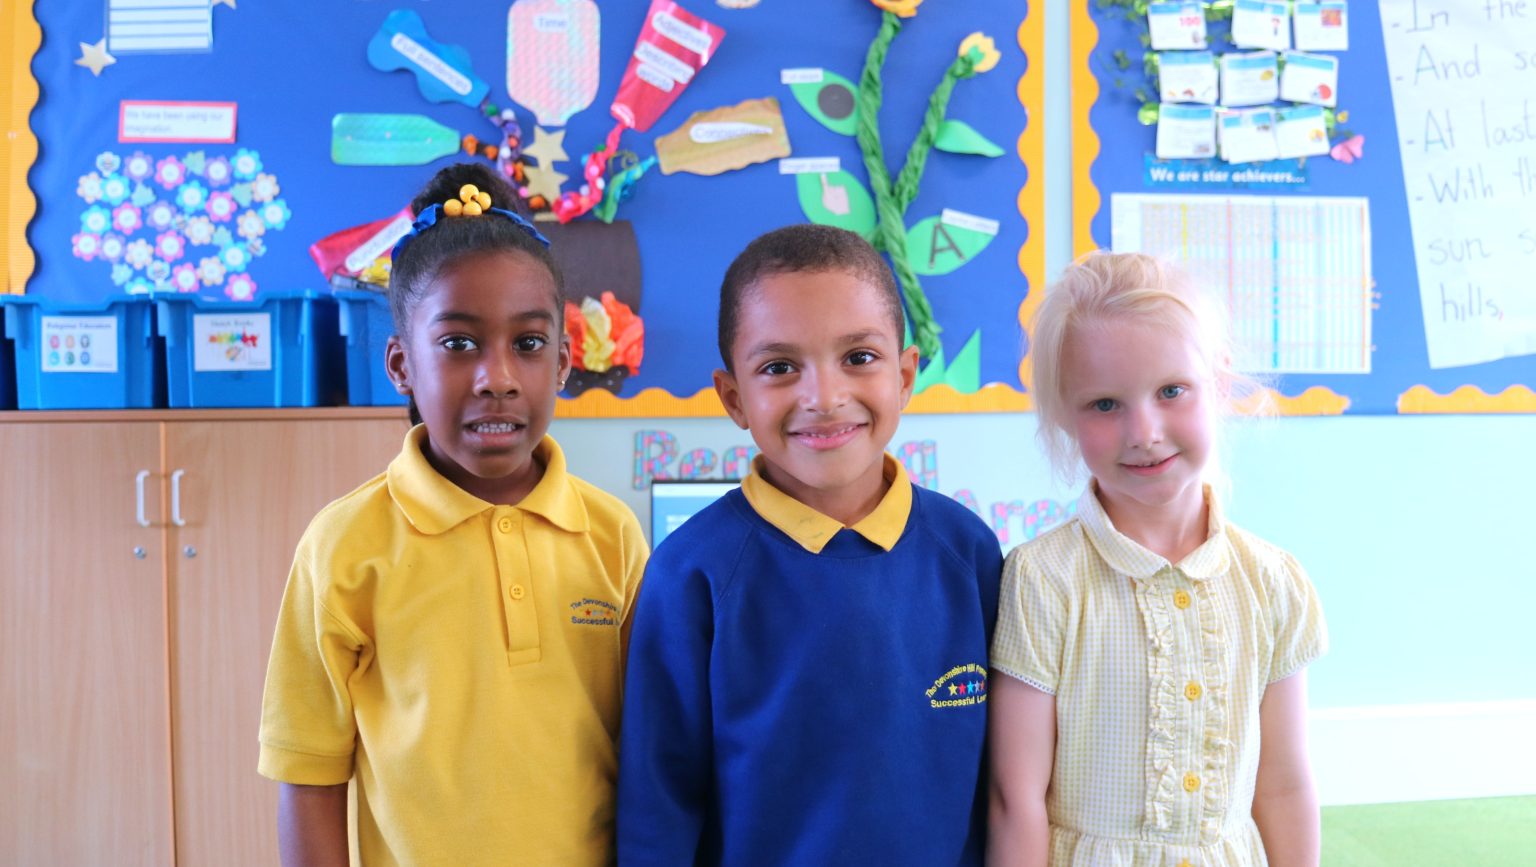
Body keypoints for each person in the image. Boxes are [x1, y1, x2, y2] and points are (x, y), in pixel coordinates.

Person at [257, 163, 647, 866]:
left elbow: (652, 749)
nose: (497, 378)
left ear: (563, 362)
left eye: (528, 344)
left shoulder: (612, 535)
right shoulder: (345, 546)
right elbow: (309, 774)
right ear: (401, 365)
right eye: (459, 343)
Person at [617, 224, 1003, 866]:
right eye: (779, 368)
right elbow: (658, 804)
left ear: (906, 375)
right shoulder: (691, 573)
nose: (824, 398)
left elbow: (1007, 777)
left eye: (859, 357)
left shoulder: (969, 553)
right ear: (734, 398)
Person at [987, 252, 1327, 866]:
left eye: (1171, 391)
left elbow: (1283, 786)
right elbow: (1017, 799)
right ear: (1065, 411)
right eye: (1105, 404)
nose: (1143, 432)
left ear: (1217, 384)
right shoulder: (1042, 579)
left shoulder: (1274, 582)